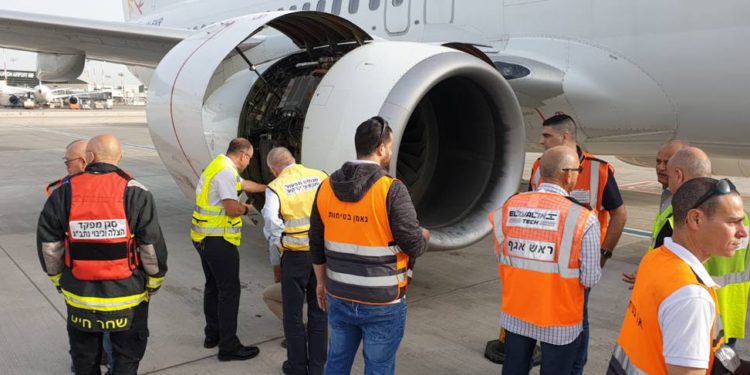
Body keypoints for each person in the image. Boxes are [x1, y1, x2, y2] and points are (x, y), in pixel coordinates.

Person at [37, 134, 168, 374]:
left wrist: (59, 281)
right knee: (126, 359)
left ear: (89, 157)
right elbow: (150, 247)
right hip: (128, 298)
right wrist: (154, 283)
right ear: (119, 157)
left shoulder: (63, 192)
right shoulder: (136, 192)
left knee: (84, 361)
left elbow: (49, 245)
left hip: (80, 296)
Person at [310, 116, 430, 375]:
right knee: (378, 368)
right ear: (380, 148)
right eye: (390, 145)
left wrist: (321, 283)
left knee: (336, 364)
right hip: (382, 302)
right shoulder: (392, 190)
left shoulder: (326, 187)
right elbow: (414, 245)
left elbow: (316, 243)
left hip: (339, 295)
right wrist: (424, 236)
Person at [609, 177, 747, 374]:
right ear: (695, 219)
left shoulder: (655, 259)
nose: (742, 233)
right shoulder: (691, 298)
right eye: (733, 222)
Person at [490, 146, 601, 374]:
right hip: (559, 319)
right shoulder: (583, 218)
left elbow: (502, 254)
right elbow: (590, 277)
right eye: (578, 170)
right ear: (568, 174)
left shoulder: (511, 206)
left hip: (517, 311)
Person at [662, 148, 750, 346]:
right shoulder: (741, 214)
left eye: (668, 174)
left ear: (678, 175)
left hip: (697, 320)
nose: (741, 232)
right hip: (728, 318)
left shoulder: (676, 218)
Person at [190, 137, 266, 361]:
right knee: (229, 291)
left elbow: (243, 184)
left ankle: (212, 335)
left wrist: (268, 187)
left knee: (213, 286)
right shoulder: (225, 172)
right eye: (249, 158)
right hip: (218, 240)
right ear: (243, 155)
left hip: (204, 237)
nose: (248, 162)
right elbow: (232, 208)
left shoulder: (219, 165)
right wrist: (247, 209)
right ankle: (228, 346)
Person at [262, 146, 328, 375]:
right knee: (319, 313)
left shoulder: (276, 187)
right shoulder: (320, 176)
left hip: (295, 257)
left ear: (273, 169)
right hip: (321, 255)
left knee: (292, 314)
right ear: (294, 160)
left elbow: (270, 222)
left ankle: (297, 367)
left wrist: (281, 244)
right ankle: (318, 368)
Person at [622, 140, 689, 285]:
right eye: (658, 162)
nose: (660, 167)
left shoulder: (688, 203)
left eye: (667, 163)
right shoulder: (669, 194)